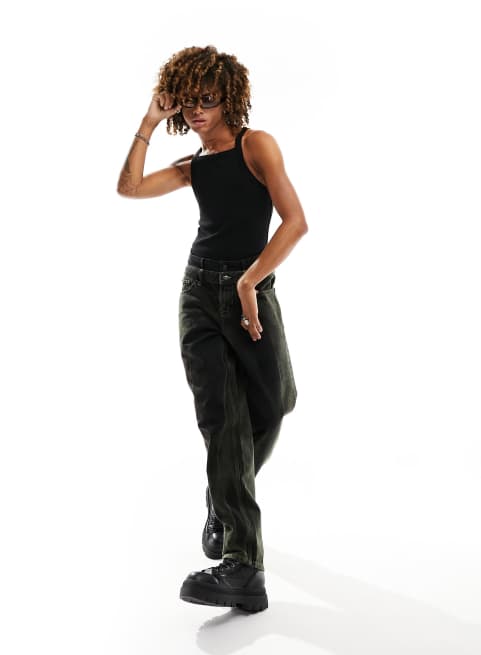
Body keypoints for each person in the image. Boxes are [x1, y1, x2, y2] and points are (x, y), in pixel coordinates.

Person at [117, 45, 307, 613]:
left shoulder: (256, 145)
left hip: (251, 291)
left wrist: (249, 283)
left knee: (277, 401)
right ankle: (243, 568)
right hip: (199, 295)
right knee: (224, 423)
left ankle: (222, 493)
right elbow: (129, 187)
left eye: (206, 98)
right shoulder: (193, 166)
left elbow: (295, 222)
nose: (196, 109)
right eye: (187, 100)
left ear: (228, 98)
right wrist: (150, 120)